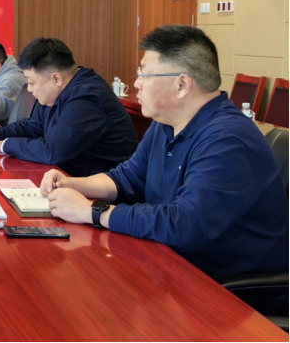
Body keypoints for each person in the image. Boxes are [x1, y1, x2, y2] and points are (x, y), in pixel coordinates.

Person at [41, 25, 289, 280]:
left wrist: (91, 211)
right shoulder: (166, 124)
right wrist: (71, 183)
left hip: (225, 285)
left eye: (144, 74)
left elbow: (184, 224)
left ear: (182, 84)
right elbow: (129, 178)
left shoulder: (228, 138)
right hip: (171, 262)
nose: (136, 83)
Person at [0, 38, 138, 177]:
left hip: (100, 192)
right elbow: (30, 127)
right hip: (67, 178)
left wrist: (6, 144)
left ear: (56, 79)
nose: (29, 89)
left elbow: (52, 151)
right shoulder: (59, 92)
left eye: (31, 83)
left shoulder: (87, 97)